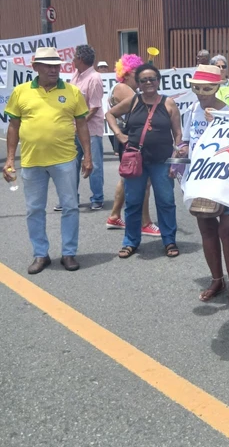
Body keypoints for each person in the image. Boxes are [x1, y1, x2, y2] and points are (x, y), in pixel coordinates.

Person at [3, 47, 92, 274]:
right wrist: (10, 159)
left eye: (56, 65)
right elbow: (13, 126)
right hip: (32, 162)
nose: (54, 69)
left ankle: (69, 253)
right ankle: (40, 254)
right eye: (48, 65)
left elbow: (82, 124)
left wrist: (88, 157)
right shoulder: (21, 92)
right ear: (36, 68)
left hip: (65, 160)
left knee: (70, 207)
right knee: (34, 209)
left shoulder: (72, 92)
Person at [180, 65, 229, 306]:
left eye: (206, 88)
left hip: (224, 179)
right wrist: (179, 153)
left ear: (218, 87)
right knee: (206, 229)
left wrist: (219, 123)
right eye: (196, 88)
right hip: (198, 178)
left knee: (228, 230)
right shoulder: (192, 109)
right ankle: (217, 279)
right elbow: (187, 141)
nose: (201, 94)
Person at [106, 63, 182, 259]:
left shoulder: (168, 103)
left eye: (152, 79)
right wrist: (119, 135)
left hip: (161, 161)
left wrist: (176, 161)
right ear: (138, 83)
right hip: (135, 160)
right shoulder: (133, 101)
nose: (148, 82)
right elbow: (110, 114)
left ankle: (169, 240)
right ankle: (130, 242)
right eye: (143, 80)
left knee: (166, 202)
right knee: (133, 202)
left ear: (158, 81)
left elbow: (178, 133)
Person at [105, 55, 161, 237]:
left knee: (127, 177)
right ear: (127, 73)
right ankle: (145, 222)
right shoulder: (123, 89)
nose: (141, 79)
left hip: (131, 139)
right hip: (131, 140)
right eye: (137, 74)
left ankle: (114, 216)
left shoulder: (124, 88)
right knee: (142, 181)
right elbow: (144, 105)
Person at [69, 44, 105, 210]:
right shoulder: (75, 76)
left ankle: (97, 198)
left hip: (91, 129)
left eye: (75, 57)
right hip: (73, 128)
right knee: (72, 165)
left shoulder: (94, 78)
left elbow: (94, 107)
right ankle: (70, 198)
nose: (72, 60)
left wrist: (80, 124)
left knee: (94, 165)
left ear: (81, 59)